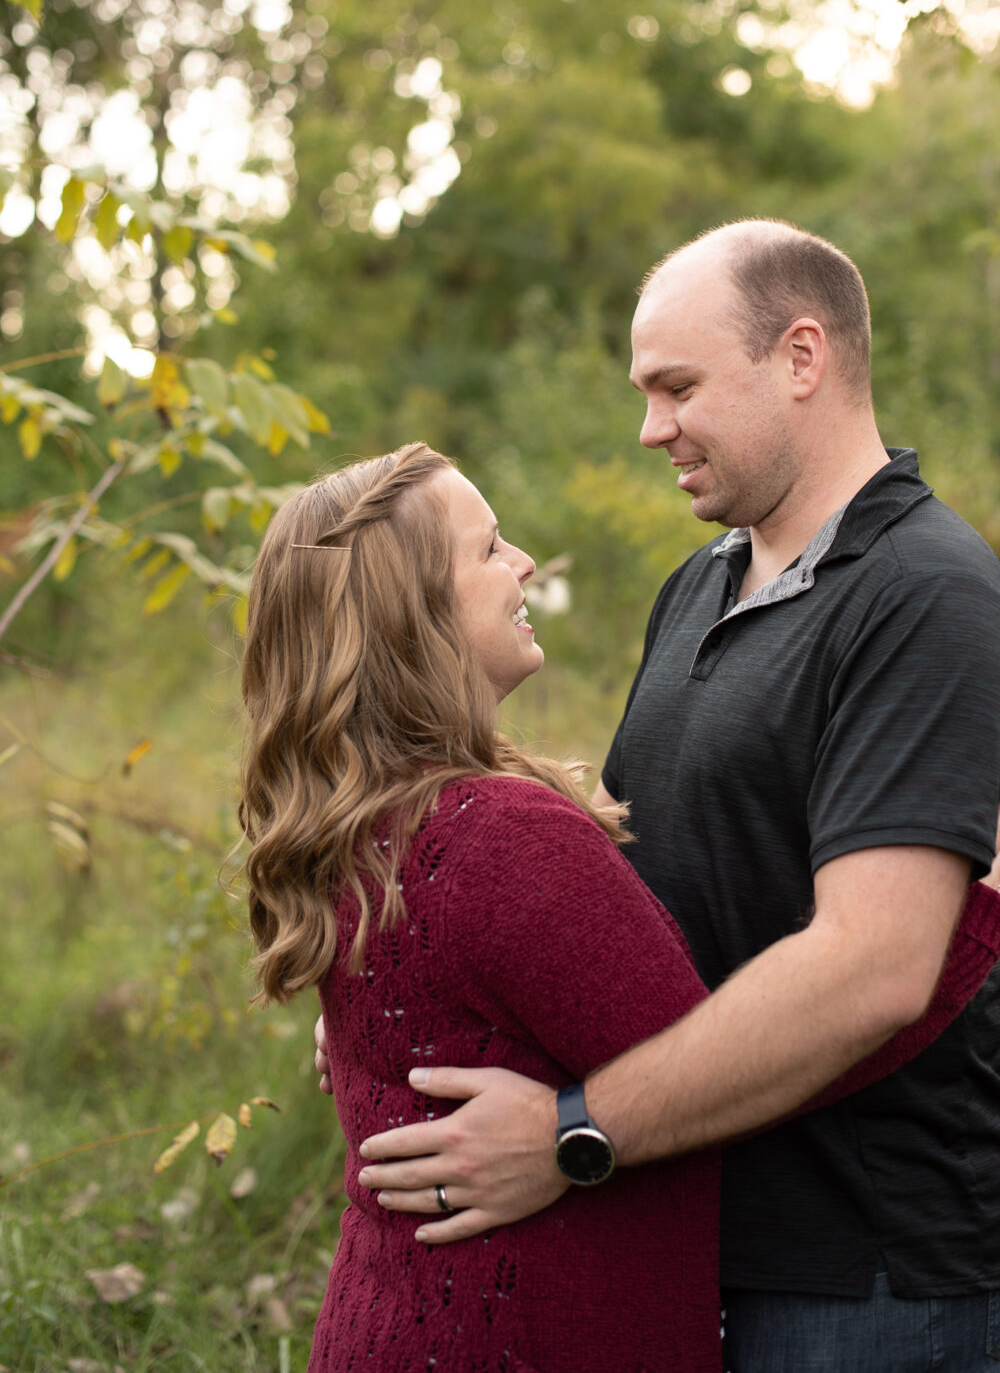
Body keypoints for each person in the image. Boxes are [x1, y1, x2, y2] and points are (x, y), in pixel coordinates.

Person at [347, 223, 1000, 1373]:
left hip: (869, 1279)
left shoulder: (925, 597)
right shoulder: (697, 586)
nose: (651, 428)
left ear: (802, 358)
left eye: (677, 387)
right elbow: (634, 891)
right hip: (692, 1235)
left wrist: (573, 1133)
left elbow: (877, 965)